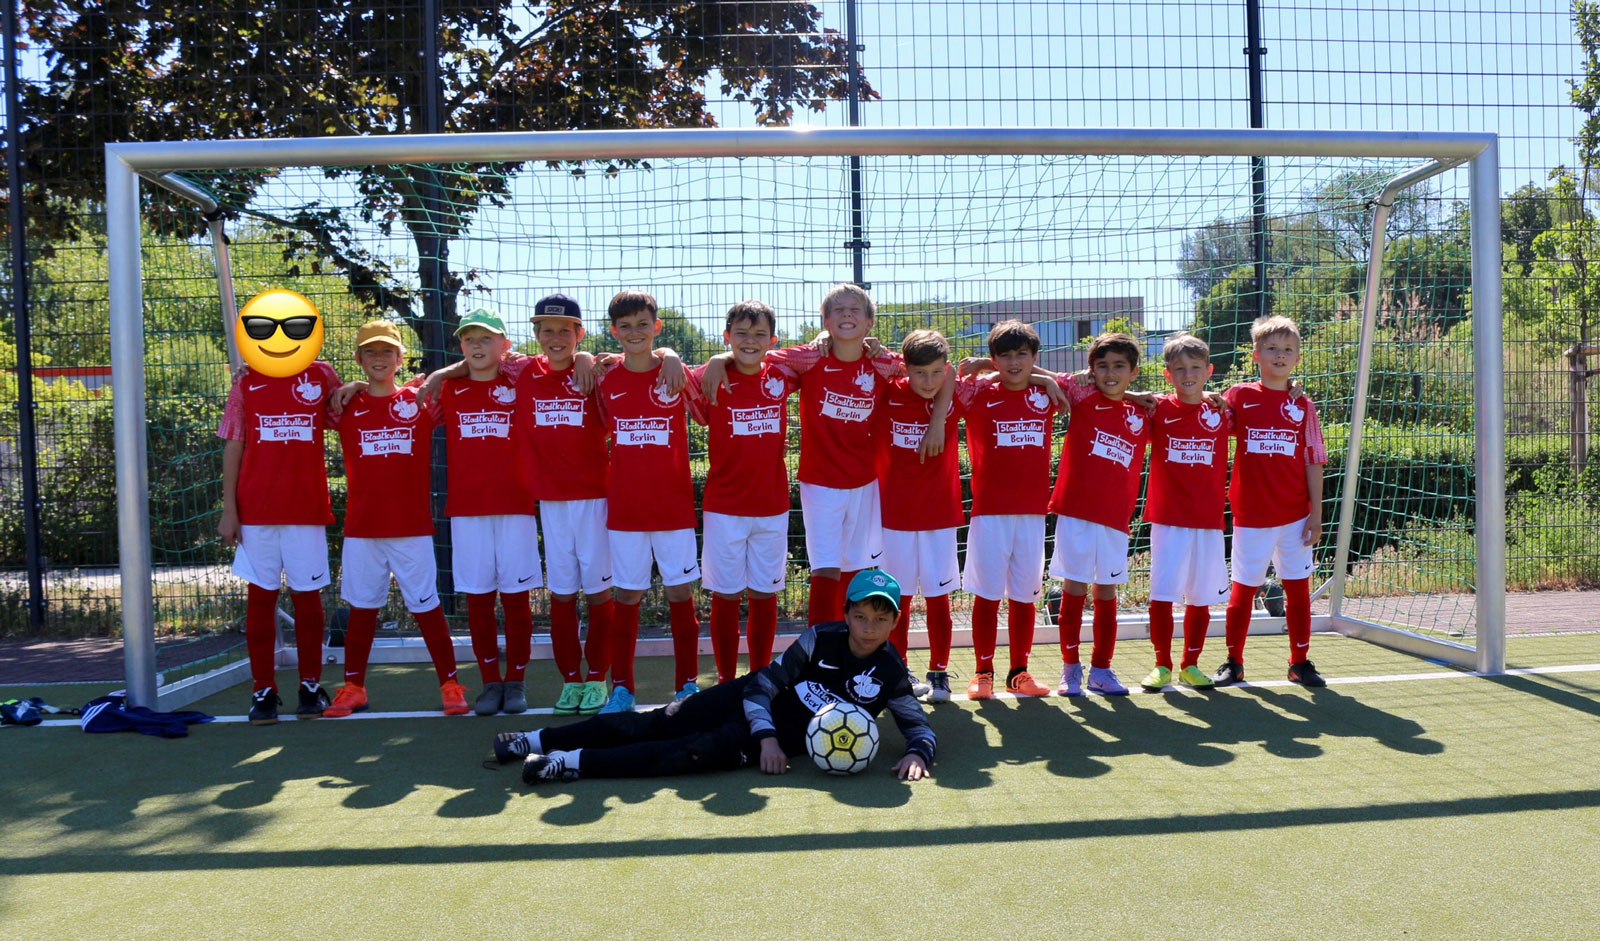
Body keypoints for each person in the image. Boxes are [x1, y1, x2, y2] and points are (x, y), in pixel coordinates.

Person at [490, 570, 935, 785]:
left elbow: (917, 723)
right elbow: (763, 684)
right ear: (847, 615)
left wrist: (918, 753)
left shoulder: (891, 669)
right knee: (657, 721)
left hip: (770, 737)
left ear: (894, 622)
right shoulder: (821, 637)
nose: (869, 627)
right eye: (861, 616)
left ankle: (566, 765)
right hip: (750, 707)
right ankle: (531, 740)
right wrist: (767, 739)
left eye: (880, 618)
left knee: (685, 754)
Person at [701, 284, 907, 626]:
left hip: (864, 482)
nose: (846, 314)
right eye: (837, 310)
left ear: (870, 322)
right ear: (824, 320)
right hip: (820, 482)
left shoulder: (883, 364)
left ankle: (850, 647)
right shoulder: (808, 358)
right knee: (825, 567)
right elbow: (756, 356)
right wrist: (718, 357)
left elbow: (932, 370)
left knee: (853, 567)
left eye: (855, 309)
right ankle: (820, 653)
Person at [324, 321, 471, 716]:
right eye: (370, 352)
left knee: (427, 607)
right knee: (361, 609)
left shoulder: (420, 400)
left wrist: (438, 374)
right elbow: (297, 398)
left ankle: (451, 685)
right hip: (362, 529)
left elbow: (478, 365)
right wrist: (351, 385)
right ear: (358, 359)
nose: (378, 359)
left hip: (412, 528)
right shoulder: (344, 405)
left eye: (387, 351)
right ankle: (353, 687)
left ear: (400, 359)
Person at [216, 294, 339, 725]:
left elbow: (350, 414)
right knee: (260, 600)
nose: (282, 337)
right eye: (267, 328)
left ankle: (309, 688)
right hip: (255, 513)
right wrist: (229, 510)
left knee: (309, 600)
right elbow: (234, 445)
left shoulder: (322, 375)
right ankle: (263, 692)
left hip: (306, 510)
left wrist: (358, 389)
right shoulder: (245, 383)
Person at [595, 289, 706, 711]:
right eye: (626, 326)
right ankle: (621, 688)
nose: (635, 332)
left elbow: (703, 413)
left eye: (643, 324)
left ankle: (687, 686)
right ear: (614, 332)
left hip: (672, 508)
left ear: (657, 327)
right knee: (626, 597)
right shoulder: (607, 380)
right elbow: (600, 430)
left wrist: (674, 356)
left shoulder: (675, 374)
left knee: (681, 594)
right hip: (625, 510)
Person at [955, 321, 1075, 699]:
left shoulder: (1047, 395)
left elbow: (1087, 382)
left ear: (1034, 358)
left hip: (1032, 513)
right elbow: (950, 380)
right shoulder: (978, 394)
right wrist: (982, 368)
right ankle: (983, 672)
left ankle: (1019, 672)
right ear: (994, 359)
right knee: (987, 595)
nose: (1014, 362)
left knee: (1025, 595)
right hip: (989, 512)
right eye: (1004, 356)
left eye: (1022, 354)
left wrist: (1045, 379)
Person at [686, 301, 800, 683]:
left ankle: (760, 675)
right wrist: (712, 358)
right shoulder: (711, 375)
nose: (750, 341)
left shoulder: (783, 373)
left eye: (759, 334)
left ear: (773, 340)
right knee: (726, 595)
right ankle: (725, 680)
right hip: (724, 506)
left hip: (772, 505)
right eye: (741, 334)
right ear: (726, 337)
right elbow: (672, 371)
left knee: (765, 595)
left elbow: (819, 352)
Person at [513, 294, 616, 714]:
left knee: (598, 593)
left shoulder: (598, 374)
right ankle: (570, 680)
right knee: (561, 595)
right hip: (551, 504)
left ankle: (597, 678)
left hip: (595, 500)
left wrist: (590, 358)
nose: (555, 338)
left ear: (580, 334)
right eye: (547, 330)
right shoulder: (520, 372)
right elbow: (476, 358)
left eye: (565, 330)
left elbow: (643, 358)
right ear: (536, 334)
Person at [1213, 315, 1329, 687]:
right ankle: (1233, 661)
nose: (1280, 355)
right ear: (1256, 354)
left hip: (1296, 515)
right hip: (1251, 514)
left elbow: (1314, 460)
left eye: (1288, 349)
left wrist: (1316, 515)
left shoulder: (1304, 405)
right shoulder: (1239, 396)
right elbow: (1211, 419)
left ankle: (1300, 662)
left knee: (1297, 590)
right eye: (1272, 348)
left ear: (1298, 357)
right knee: (1243, 589)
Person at [436, 309, 542, 715]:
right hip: (467, 511)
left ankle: (516, 682)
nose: (477, 346)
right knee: (478, 600)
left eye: (486, 339)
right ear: (461, 347)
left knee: (516, 599)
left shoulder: (523, 381)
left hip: (516, 507)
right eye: (469, 339)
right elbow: (395, 396)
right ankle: (488, 684)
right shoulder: (448, 388)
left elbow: (559, 361)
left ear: (505, 345)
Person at [1049, 333, 1155, 697]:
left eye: (1119, 367)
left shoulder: (1144, 411)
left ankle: (1102, 669)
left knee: (1107, 590)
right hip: (1076, 511)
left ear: (1134, 371)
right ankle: (1070, 669)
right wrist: (1075, 377)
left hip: (1114, 517)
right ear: (1091, 370)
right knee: (1075, 587)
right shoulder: (1081, 395)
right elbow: (1031, 372)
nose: (1111, 373)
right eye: (1102, 366)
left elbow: (1185, 403)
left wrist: (1205, 396)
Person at [874, 329, 965, 701]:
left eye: (935, 373)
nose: (928, 382)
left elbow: (962, 373)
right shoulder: (889, 394)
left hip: (939, 515)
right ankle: (899, 671)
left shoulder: (955, 396)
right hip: (893, 514)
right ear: (906, 370)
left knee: (938, 596)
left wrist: (938, 417)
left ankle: (940, 672)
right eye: (919, 373)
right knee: (899, 598)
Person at [1139, 333, 1233, 691]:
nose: (1188, 375)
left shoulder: (1222, 411)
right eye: (1180, 369)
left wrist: (1294, 389)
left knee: (1201, 596)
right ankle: (1161, 664)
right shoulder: (1157, 409)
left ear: (1209, 371)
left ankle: (1190, 664)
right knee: (1162, 593)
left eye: (1195, 368)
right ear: (1168, 375)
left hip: (1208, 521)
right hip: (1167, 519)